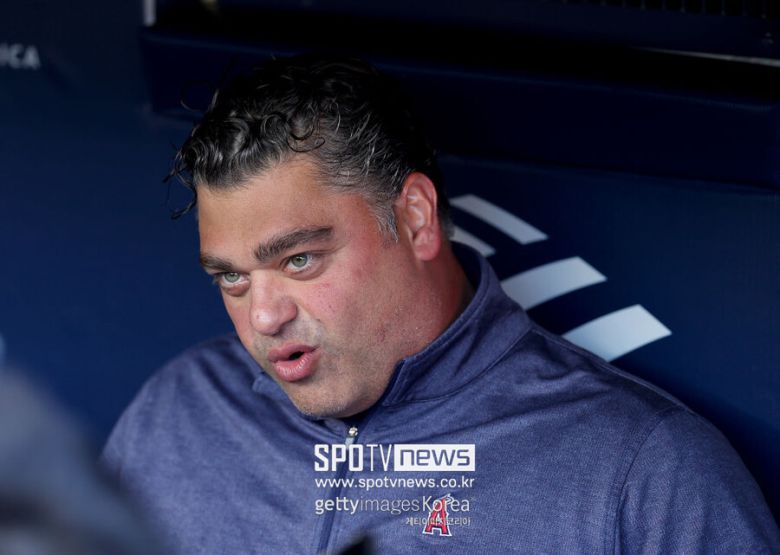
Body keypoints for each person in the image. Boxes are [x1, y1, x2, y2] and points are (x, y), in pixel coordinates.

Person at [101, 54, 780, 554]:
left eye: (299, 260)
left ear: (416, 218)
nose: (263, 316)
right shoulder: (176, 413)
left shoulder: (644, 472)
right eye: (232, 279)